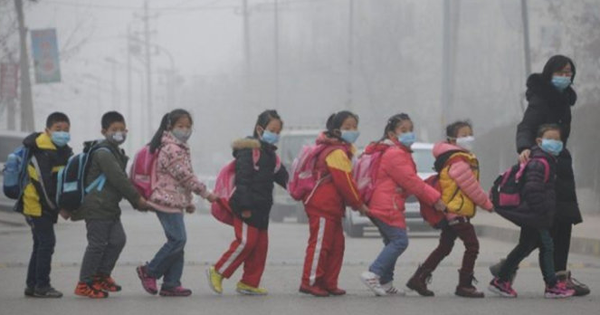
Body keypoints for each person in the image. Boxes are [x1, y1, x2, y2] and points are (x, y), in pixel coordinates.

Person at [490, 55, 590, 296]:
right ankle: (510, 271)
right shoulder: (541, 99)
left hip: (560, 166)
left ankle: (558, 277)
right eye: (560, 71)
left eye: (569, 72)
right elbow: (525, 126)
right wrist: (524, 147)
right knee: (538, 228)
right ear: (549, 73)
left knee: (562, 223)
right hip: (544, 166)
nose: (565, 76)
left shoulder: (564, 100)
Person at [361, 113, 444, 296]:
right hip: (386, 205)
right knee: (400, 241)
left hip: (385, 203)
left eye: (411, 130)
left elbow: (405, 183)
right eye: (403, 130)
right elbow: (412, 181)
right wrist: (435, 198)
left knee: (391, 241)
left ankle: (386, 282)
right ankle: (373, 273)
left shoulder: (398, 153)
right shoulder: (395, 154)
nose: (409, 134)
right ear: (392, 135)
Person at [406, 120, 492, 298]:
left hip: (452, 211)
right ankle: (464, 284)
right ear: (452, 140)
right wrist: (488, 204)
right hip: (457, 211)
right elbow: (471, 188)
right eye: (463, 135)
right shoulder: (458, 161)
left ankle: (419, 278)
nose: (468, 138)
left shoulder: (458, 157)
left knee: (444, 247)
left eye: (470, 134)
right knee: (472, 246)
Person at [207, 110, 288, 296]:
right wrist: (244, 207)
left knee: (260, 247)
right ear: (260, 129)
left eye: (278, 131)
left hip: (262, 207)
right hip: (246, 206)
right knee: (246, 242)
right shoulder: (249, 149)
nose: (275, 135)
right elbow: (243, 179)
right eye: (272, 130)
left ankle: (249, 283)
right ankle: (217, 271)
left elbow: (285, 178)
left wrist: (302, 192)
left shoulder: (271, 155)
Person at [489, 124, 575, 299]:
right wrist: (541, 210)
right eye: (550, 139)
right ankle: (551, 285)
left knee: (526, 247)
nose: (555, 143)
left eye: (558, 140)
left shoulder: (546, 160)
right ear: (539, 141)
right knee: (546, 247)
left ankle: (501, 279)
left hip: (535, 214)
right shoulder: (540, 162)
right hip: (536, 215)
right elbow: (532, 189)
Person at [136, 109, 216, 297]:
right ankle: (149, 271)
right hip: (165, 200)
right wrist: (206, 193)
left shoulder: (179, 147)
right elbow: (185, 176)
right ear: (170, 127)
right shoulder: (171, 148)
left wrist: (187, 202)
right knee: (178, 240)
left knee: (178, 244)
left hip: (173, 201)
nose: (185, 130)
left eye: (188, 126)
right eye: (180, 126)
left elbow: (180, 181)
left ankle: (171, 283)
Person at [74, 111, 149, 298]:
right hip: (97, 206)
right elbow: (119, 179)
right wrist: (136, 199)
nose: (119, 133)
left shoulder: (116, 152)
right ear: (103, 131)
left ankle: (101, 276)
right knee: (97, 244)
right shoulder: (103, 153)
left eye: (122, 129)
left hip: (109, 207)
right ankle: (84, 283)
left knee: (118, 240)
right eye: (114, 129)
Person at [299, 111, 369, 297]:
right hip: (322, 205)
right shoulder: (336, 152)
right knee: (321, 245)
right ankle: (311, 281)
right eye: (348, 127)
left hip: (333, 207)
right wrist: (359, 204)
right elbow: (345, 182)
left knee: (337, 246)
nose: (353, 130)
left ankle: (329, 282)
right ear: (336, 130)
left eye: (355, 126)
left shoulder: (342, 150)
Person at [21, 112, 73, 298]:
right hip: (36, 205)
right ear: (47, 130)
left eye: (66, 129)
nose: (63, 133)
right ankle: (42, 286)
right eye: (58, 129)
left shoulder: (62, 150)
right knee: (47, 243)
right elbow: (44, 185)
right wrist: (57, 207)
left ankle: (32, 285)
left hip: (44, 205)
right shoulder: (42, 151)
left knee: (40, 244)